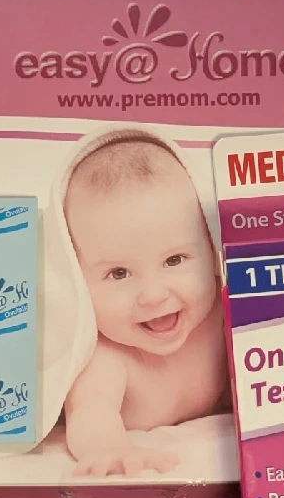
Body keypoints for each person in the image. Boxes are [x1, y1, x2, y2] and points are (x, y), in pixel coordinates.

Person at [62, 137, 230, 475]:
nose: (152, 295)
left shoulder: (221, 321)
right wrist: (107, 446)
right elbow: (90, 414)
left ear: (213, 253)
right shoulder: (106, 357)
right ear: (77, 280)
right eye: (118, 273)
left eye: (174, 260)